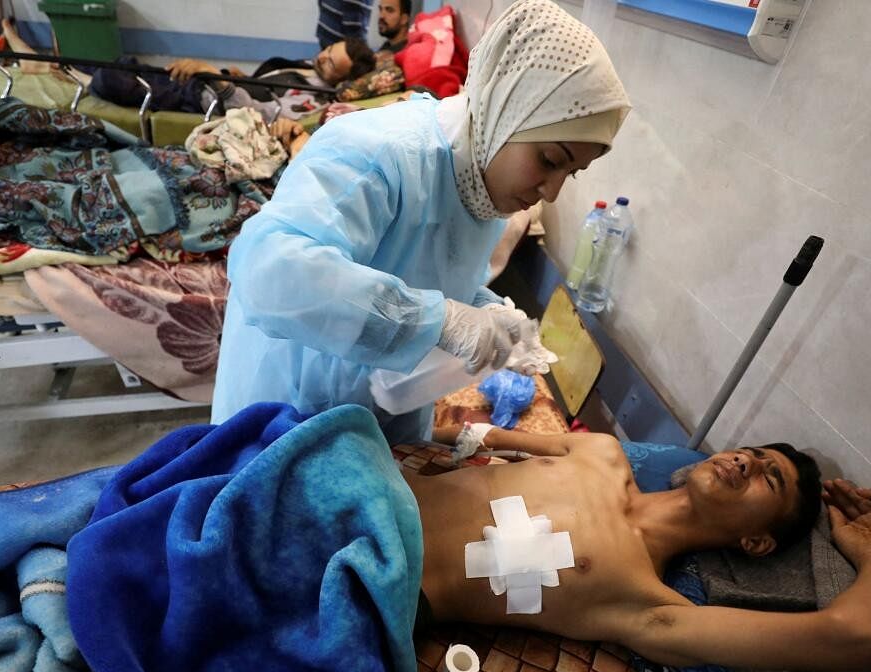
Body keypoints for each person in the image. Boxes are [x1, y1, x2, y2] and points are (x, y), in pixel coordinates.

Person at [212, 0, 632, 443]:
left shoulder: (480, 182)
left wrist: (482, 308)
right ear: (507, 109)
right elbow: (273, 274)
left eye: (571, 173)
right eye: (549, 160)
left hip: (373, 415)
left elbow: (429, 273)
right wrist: (442, 321)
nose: (551, 191)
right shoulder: (377, 155)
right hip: (286, 412)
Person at [414, 425, 871, 671]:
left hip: (393, 582)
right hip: (375, 486)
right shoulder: (599, 450)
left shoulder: (648, 606)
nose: (744, 462)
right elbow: (475, 436)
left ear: (756, 542)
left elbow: (862, 638)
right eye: (752, 454)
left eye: (768, 478)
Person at [165, 37, 377, 121]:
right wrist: (246, 79)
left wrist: (219, 80)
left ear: (342, 81)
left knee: (133, 80)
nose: (322, 57)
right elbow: (271, 88)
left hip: (197, 100)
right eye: (328, 50)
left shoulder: (314, 101)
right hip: (199, 86)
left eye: (331, 63)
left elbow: (256, 115)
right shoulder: (308, 66)